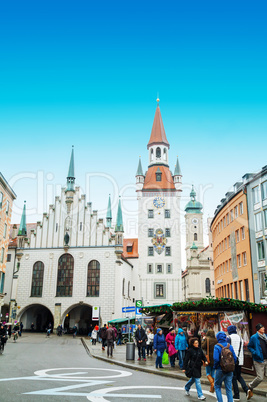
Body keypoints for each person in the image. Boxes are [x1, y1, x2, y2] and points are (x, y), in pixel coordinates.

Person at [227, 325, 249, 401]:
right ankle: (246, 389)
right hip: (240, 360)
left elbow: (227, 349)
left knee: (233, 377)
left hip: (232, 360)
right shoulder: (240, 338)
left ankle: (236, 394)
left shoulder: (228, 338)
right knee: (239, 376)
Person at [214, 331, 237, 402]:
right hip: (230, 370)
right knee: (229, 388)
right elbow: (235, 358)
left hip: (220, 369)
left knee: (217, 386)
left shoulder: (217, 346)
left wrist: (215, 367)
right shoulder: (230, 346)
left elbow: (216, 359)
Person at [247, 323, 267, 399]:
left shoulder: (265, 336)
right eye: (262, 328)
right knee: (260, 378)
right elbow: (249, 346)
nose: (264, 328)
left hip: (266, 359)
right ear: (258, 329)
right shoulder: (254, 337)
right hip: (259, 360)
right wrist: (255, 353)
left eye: (263, 327)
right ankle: (250, 385)